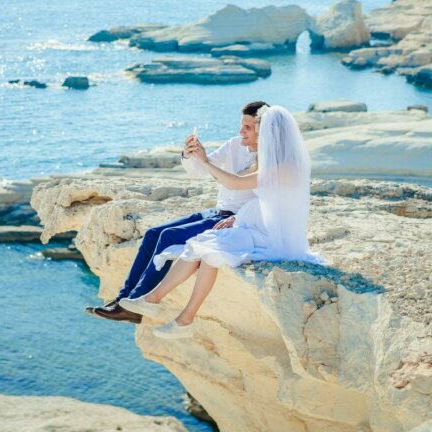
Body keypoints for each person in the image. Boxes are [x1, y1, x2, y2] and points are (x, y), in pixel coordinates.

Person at [119, 105, 322, 338]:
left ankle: (176, 314)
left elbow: (236, 183)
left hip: (272, 230)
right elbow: (245, 184)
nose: (243, 132)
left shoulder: (286, 167)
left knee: (208, 247)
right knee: (206, 246)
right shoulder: (266, 161)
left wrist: (206, 161)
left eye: (251, 128)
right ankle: (158, 303)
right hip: (252, 219)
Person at [86, 101, 268, 323]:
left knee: (168, 236)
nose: (241, 132)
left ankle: (136, 303)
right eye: (242, 126)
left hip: (234, 219)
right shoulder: (234, 145)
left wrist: (237, 218)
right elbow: (199, 171)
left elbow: (268, 202)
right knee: (153, 233)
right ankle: (123, 299)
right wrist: (189, 153)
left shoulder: (272, 160)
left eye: (248, 128)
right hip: (216, 211)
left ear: (262, 130)